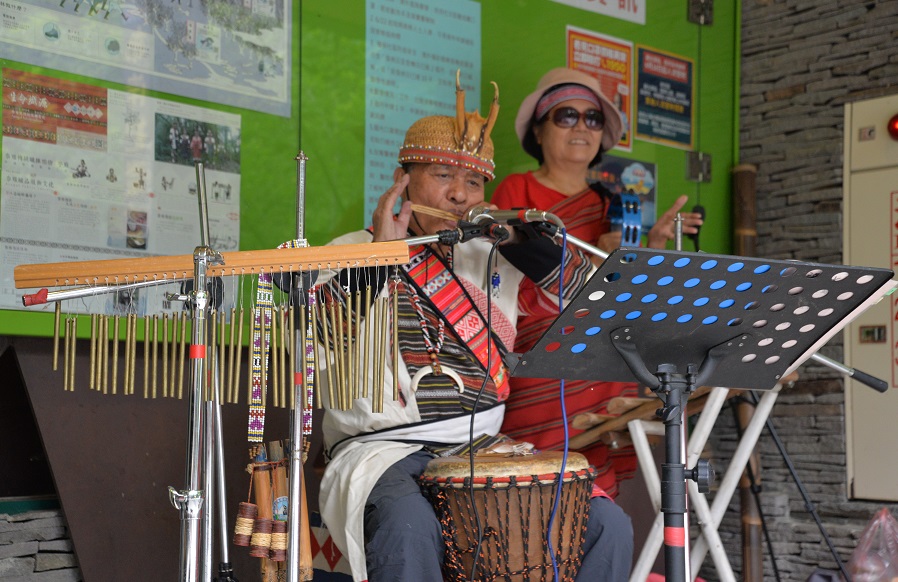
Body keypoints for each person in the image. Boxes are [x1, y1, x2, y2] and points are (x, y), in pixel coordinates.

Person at [318, 77, 633, 582]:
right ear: (402, 181)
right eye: (443, 175)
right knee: (407, 525)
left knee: (607, 526)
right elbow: (320, 342)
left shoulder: (494, 255)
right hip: (383, 453)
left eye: (474, 183)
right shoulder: (348, 250)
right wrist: (379, 258)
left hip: (486, 448)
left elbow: (595, 308)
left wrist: (543, 255)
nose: (460, 196)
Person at [493, 67, 704, 499]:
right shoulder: (517, 188)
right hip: (539, 340)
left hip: (603, 341)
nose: (582, 127)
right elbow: (506, 267)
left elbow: (626, 292)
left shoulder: (612, 206)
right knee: (541, 477)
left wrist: (653, 247)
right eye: (566, 115)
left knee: (596, 479)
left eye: (593, 119)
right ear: (539, 129)